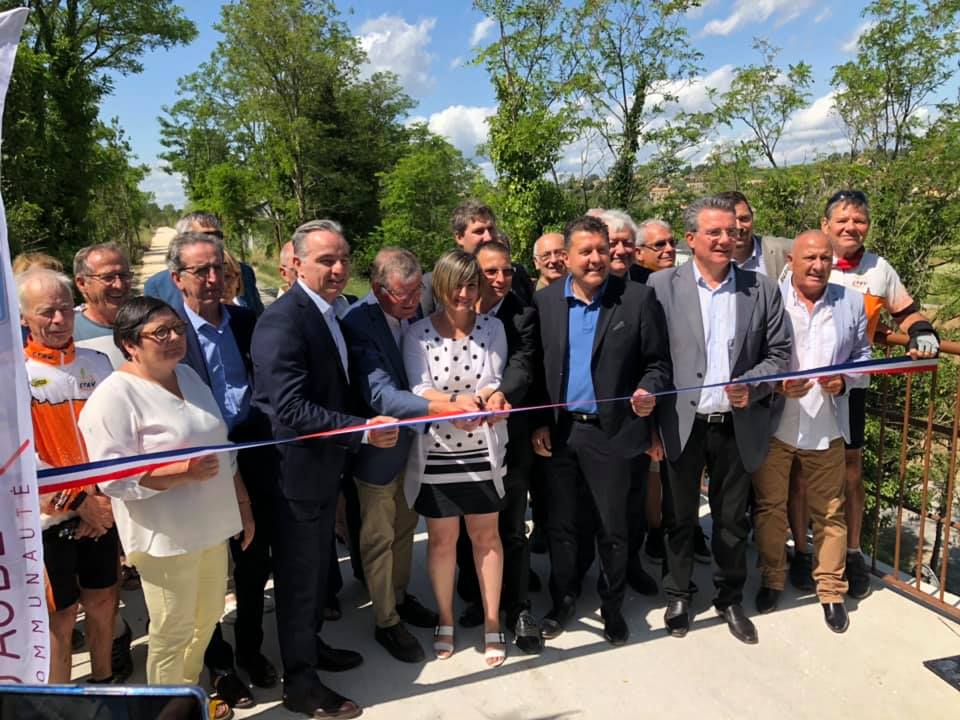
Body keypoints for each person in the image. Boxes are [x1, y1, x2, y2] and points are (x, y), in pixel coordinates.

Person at [251, 219, 398, 720]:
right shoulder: (282, 321)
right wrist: (360, 428)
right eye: (325, 261)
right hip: (294, 476)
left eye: (342, 259)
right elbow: (286, 407)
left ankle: (310, 650)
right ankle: (300, 683)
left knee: (315, 574)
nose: (337, 270)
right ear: (295, 263)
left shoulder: (332, 313)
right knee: (297, 579)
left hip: (323, 469)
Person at [78, 296, 254, 692]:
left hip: (213, 524)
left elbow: (224, 451)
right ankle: (162, 706)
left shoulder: (189, 377)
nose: (175, 338)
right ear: (130, 343)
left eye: (177, 328)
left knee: (208, 618)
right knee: (173, 629)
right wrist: (180, 473)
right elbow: (111, 478)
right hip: (166, 538)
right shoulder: (113, 397)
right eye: (161, 333)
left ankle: (187, 693)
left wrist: (243, 505)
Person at [647, 195, 791, 644]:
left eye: (732, 231)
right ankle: (678, 594)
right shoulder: (661, 287)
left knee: (731, 522)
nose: (727, 239)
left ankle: (729, 599)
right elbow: (650, 358)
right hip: (681, 423)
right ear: (691, 239)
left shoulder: (760, 289)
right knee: (680, 516)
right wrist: (650, 425)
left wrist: (754, 382)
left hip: (736, 423)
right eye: (715, 232)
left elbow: (780, 354)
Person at [530, 215, 672, 646]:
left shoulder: (636, 299)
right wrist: (538, 419)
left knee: (613, 528)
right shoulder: (546, 302)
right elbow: (536, 368)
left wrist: (649, 388)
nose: (595, 258)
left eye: (601, 249)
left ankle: (613, 606)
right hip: (560, 431)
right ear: (567, 257)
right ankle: (564, 598)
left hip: (611, 433)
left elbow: (659, 363)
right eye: (585, 251)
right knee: (562, 526)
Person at [343, 248, 473, 664]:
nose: (415, 300)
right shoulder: (358, 323)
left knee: (404, 529)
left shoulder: (416, 310)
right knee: (379, 538)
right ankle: (386, 621)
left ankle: (400, 598)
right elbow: (379, 393)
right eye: (404, 294)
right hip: (379, 454)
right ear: (379, 289)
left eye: (419, 290)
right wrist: (442, 407)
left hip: (416, 447)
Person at [166, 231, 279, 707]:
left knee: (254, 562)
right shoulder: (169, 333)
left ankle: (251, 649)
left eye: (218, 268)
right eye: (200, 271)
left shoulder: (247, 321)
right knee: (211, 568)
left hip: (254, 453)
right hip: (203, 463)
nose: (213, 279)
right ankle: (218, 663)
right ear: (178, 279)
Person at [812, 189, 939, 599]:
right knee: (801, 471)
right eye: (843, 220)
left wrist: (921, 331)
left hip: (851, 389)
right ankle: (802, 553)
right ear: (825, 225)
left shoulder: (879, 269)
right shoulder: (811, 258)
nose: (851, 227)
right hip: (805, 388)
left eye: (859, 220)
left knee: (850, 473)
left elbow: (906, 311)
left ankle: (852, 554)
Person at [753, 230, 872, 634]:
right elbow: (751, 358)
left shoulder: (850, 302)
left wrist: (846, 379)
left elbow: (863, 358)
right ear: (791, 259)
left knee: (831, 511)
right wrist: (776, 385)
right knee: (770, 508)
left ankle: (831, 590)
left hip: (826, 426)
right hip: (777, 424)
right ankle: (772, 578)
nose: (818, 266)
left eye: (825, 258)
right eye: (810, 258)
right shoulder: (770, 300)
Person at [403, 249, 511, 667]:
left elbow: (495, 378)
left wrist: (483, 400)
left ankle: (490, 621)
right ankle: (445, 619)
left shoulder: (493, 328)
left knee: (487, 539)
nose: (464, 294)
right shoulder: (418, 335)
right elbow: (417, 388)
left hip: (484, 449)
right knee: (443, 541)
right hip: (438, 455)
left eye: (472, 285)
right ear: (441, 288)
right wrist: (454, 404)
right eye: (456, 286)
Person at [19, 269, 118, 684]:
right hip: (49, 518)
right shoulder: (13, 375)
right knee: (60, 618)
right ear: (24, 317)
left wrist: (106, 501)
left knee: (104, 603)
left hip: (103, 507)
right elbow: (22, 457)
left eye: (65, 309)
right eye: (47, 313)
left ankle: (105, 682)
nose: (59, 320)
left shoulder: (98, 362)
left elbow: (117, 437)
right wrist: (79, 502)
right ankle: (60, 701)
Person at [454, 240, 543, 653]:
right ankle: (476, 597)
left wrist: (500, 394)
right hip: (459, 438)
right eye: (491, 272)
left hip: (511, 435)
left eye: (507, 271)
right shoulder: (453, 315)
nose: (501, 279)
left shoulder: (522, 315)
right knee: (467, 527)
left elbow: (525, 365)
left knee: (510, 526)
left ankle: (519, 606)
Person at [420, 200, 534, 313]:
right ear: (459, 237)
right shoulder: (432, 283)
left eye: (491, 229)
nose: (488, 237)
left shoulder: (516, 274)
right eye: (479, 231)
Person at [144, 212, 264, 316]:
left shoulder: (244, 272)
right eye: (204, 236)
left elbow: (259, 315)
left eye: (217, 236)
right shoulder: (158, 285)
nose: (213, 242)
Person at [73, 242, 133, 369]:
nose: (119, 285)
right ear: (82, 283)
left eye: (123, 275)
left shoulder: (147, 321)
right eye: (108, 277)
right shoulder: (67, 334)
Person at [715, 190, 792, 280]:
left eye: (744, 219)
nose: (739, 227)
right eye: (731, 221)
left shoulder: (782, 250)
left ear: (752, 217)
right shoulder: (704, 263)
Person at [599, 209, 651, 283]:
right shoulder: (584, 285)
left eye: (627, 243)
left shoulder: (648, 280)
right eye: (612, 244)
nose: (621, 251)